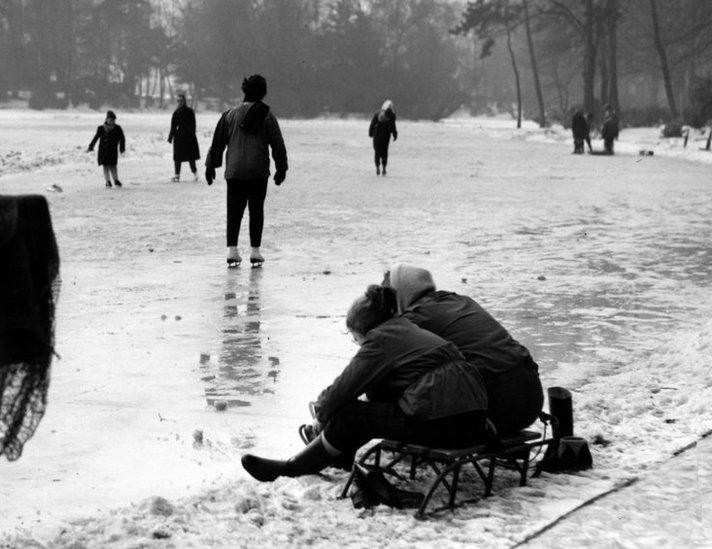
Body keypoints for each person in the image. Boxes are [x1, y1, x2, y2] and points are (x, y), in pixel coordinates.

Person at [240, 284, 489, 482]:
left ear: (364, 331)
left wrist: (321, 413)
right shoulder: (408, 330)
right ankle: (337, 456)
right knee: (369, 406)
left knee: (352, 415)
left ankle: (292, 468)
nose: (356, 343)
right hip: (475, 424)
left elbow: (342, 390)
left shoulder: (382, 340)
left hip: (446, 426)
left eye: (354, 337)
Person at [384, 264, 543, 435]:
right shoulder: (462, 301)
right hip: (531, 401)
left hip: (492, 410)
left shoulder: (415, 319)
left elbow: (384, 365)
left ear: (399, 294)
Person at [206, 74, 288, 268]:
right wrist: (281, 168)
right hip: (258, 171)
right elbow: (278, 144)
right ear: (263, 92)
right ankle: (255, 251)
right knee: (256, 210)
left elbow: (217, 143)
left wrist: (211, 165)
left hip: (234, 172)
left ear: (244, 91)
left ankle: (232, 251)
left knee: (234, 211)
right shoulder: (267, 116)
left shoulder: (229, 115)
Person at [87, 110, 126, 188]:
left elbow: (122, 139)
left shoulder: (118, 128)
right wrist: (91, 146)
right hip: (103, 150)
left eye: (113, 120)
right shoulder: (101, 128)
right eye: (110, 119)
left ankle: (116, 180)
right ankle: (107, 181)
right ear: (106, 119)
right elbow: (96, 138)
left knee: (113, 165)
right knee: (105, 166)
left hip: (112, 150)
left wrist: (122, 148)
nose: (112, 121)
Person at [168, 93, 200, 182]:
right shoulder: (176, 112)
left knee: (191, 158)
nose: (179, 102)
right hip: (179, 138)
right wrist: (171, 137)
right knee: (177, 158)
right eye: (178, 101)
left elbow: (193, 125)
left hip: (189, 137)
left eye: (181, 101)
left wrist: (191, 135)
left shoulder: (190, 111)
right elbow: (173, 126)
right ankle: (177, 176)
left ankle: (195, 174)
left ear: (184, 101)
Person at [368, 100, 398, 175]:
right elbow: (393, 126)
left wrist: (370, 133)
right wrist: (394, 134)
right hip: (386, 135)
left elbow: (372, 124)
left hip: (377, 135)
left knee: (377, 151)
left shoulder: (377, 114)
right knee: (384, 152)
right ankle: (384, 168)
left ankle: (377, 167)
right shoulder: (391, 115)